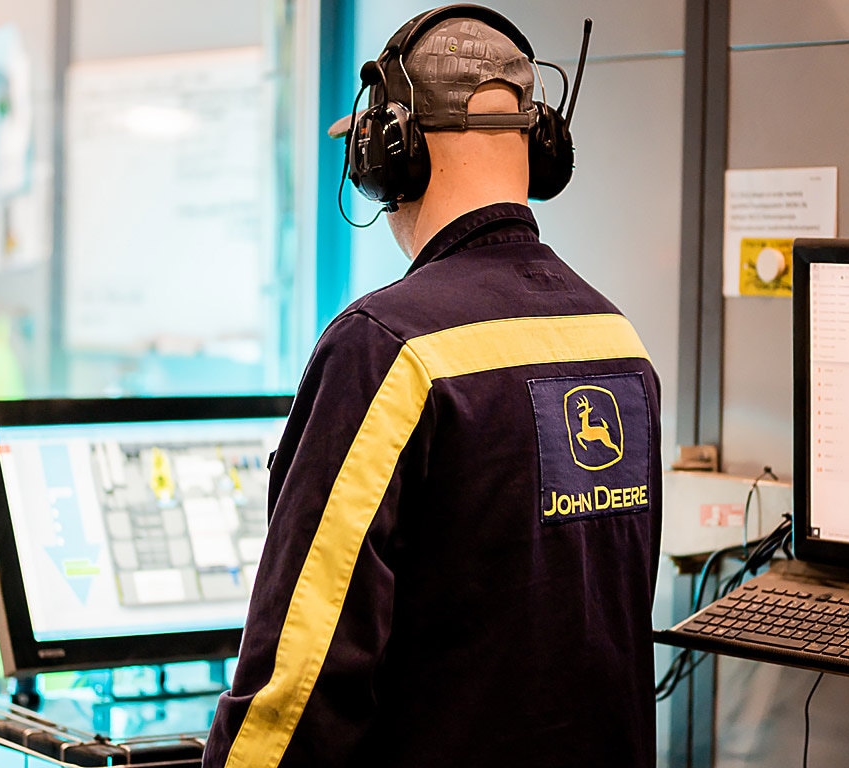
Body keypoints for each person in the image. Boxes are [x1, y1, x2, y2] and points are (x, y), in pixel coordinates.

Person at [203, 6, 662, 767]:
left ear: (392, 155)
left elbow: (296, 688)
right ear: (539, 148)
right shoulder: (617, 343)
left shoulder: (386, 350)